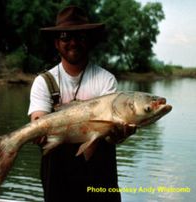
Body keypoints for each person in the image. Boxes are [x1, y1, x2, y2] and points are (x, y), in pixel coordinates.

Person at [28, 5, 135, 202]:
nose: (73, 42)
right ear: (56, 43)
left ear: (89, 40)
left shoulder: (106, 80)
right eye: (65, 37)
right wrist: (38, 130)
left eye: (80, 36)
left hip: (101, 180)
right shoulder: (43, 81)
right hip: (57, 180)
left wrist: (119, 135)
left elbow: (111, 137)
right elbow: (38, 118)